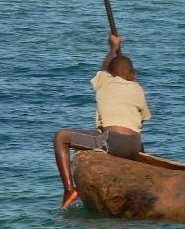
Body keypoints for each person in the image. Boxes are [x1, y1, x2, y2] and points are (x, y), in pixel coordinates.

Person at [54, 34, 151, 208]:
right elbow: (141, 122)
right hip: (136, 144)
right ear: (134, 76)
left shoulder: (105, 82)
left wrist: (113, 48)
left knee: (61, 137)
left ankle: (69, 189)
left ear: (111, 75)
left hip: (112, 142)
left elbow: (103, 70)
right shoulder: (139, 89)